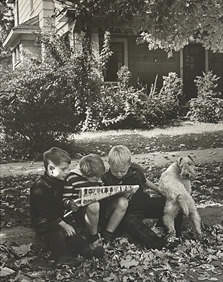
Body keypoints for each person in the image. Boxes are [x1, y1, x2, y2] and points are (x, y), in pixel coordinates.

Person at [30, 147, 104, 268]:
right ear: (51, 169)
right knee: (57, 234)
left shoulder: (59, 181)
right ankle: (61, 258)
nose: (67, 172)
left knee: (74, 233)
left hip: (60, 218)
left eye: (67, 169)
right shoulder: (39, 187)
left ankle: (86, 250)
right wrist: (63, 224)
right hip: (44, 221)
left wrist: (70, 204)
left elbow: (62, 200)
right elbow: (45, 211)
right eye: (64, 169)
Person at [102, 145, 183, 250]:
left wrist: (162, 192)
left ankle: (175, 235)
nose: (118, 174)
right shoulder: (106, 178)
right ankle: (160, 244)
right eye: (115, 171)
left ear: (129, 164)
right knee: (130, 222)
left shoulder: (135, 169)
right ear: (109, 164)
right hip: (128, 210)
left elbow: (145, 182)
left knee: (173, 203)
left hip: (144, 201)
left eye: (122, 171)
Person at [63, 153, 128, 244]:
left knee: (123, 202)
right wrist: (70, 203)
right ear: (85, 175)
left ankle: (108, 234)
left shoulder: (98, 176)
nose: (99, 180)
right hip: (85, 214)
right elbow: (64, 199)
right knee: (94, 205)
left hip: (102, 211)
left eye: (100, 177)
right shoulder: (71, 178)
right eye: (95, 178)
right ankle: (94, 237)